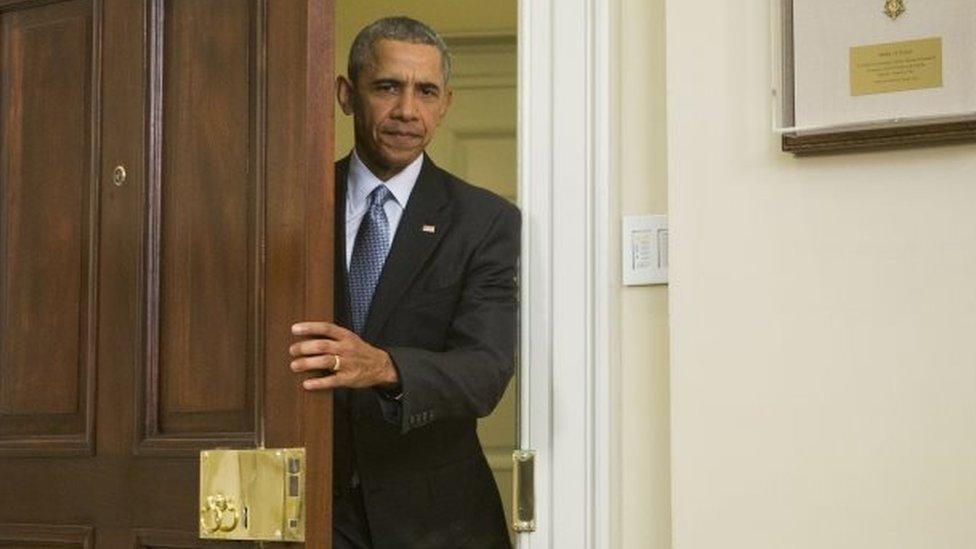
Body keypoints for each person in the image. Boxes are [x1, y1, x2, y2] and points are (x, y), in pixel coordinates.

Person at [288, 16, 519, 549]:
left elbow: (484, 371)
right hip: (309, 510)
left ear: (446, 104)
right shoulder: (292, 206)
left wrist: (384, 367)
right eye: (388, 87)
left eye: (426, 91)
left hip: (437, 522)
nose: (407, 111)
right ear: (347, 95)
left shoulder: (485, 221)